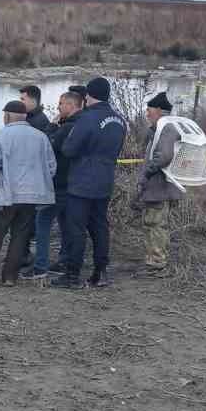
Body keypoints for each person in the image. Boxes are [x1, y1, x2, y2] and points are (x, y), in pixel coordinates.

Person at [51, 75, 127, 291]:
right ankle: (100, 272)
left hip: (82, 181)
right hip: (104, 180)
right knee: (100, 227)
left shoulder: (86, 118)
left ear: (88, 96)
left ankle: (72, 274)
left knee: (76, 229)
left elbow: (69, 149)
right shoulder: (119, 119)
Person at [0, 100, 56, 288]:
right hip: (31, 196)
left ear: (7, 116)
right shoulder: (41, 137)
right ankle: (10, 277)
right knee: (20, 237)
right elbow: (51, 167)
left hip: (5, 195)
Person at [20, 84, 86, 280]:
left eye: (60, 104)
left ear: (70, 105)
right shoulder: (84, 124)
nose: (57, 108)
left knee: (43, 222)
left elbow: (46, 144)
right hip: (74, 183)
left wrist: (53, 126)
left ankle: (40, 266)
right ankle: (65, 260)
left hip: (58, 183)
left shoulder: (66, 127)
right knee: (66, 224)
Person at [136, 90, 181, 275]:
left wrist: (147, 172)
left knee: (155, 225)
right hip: (158, 187)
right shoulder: (161, 128)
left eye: (150, 110)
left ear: (160, 111)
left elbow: (164, 156)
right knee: (153, 224)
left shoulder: (167, 129)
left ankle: (157, 265)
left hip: (160, 187)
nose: (147, 114)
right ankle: (154, 261)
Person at [17, 84, 55, 275]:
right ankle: (22, 254)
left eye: (23, 99)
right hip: (26, 177)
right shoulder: (29, 118)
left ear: (33, 100)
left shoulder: (39, 121)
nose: (20, 102)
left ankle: (26, 256)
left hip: (32, 179)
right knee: (23, 219)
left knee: (27, 220)